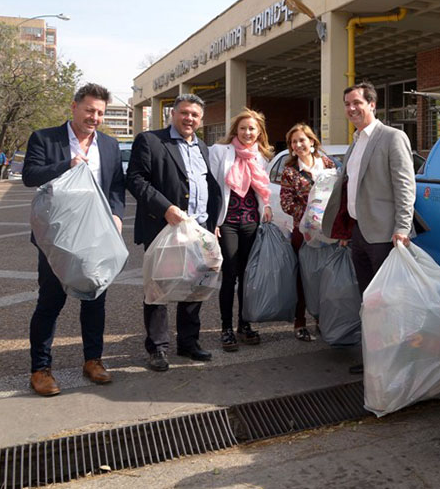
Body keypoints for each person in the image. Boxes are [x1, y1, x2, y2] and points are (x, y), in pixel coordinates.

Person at [22, 83, 125, 396]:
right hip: (57, 238)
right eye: (89, 110)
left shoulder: (108, 145)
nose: (94, 117)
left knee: (95, 302)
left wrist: (118, 215)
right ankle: (40, 369)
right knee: (50, 303)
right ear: (74, 107)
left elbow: (116, 187)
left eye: (100, 113)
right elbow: (29, 175)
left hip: (96, 238)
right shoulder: (45, 138)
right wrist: (66, 165)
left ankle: (93, 361)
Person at [321, 82, 416, 373]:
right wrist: (346, 230)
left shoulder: (392, 137)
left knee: (389, 302)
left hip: (385, 235)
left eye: (357, 103)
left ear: (372, 105)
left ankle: (395, 364)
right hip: (359, 233)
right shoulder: (356, 141)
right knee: (369, 302)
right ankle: (375, 360)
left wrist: (402, 226)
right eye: (347, 104)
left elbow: (405, 185)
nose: (351, 109)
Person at [127, 93, 222, 372]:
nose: (189, 118)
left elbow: (209, 186)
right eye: (184, 113)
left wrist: (213, 222)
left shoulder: (204, 147)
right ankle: (157, 348)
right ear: (173, 114)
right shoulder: (151, 141)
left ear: (201, 119)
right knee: (159, 289)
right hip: (165, 229)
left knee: (195, 286)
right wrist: (165, 208)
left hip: (199, 229)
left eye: (194, 115)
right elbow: (135, 179)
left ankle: (189, 343)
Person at [208, 109, 274, 352]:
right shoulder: (219, 151)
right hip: (227, 222)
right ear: (236, 129)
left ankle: (243, 324)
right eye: (244, 128)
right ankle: (226, 328)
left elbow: (263, 189)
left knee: (248, 276)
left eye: (252, 129)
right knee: (230, 274)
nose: (248, 133)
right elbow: (213, 188)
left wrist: (266, 206)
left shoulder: (262, 157)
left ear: (259, 133)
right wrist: (212, 222)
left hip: (251, 221)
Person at [279, 123, 336, 342]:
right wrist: (311, 215)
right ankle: (300, 322)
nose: (298, 145)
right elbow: (286, 203)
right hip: (303, 232)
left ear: (312, 141)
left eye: (302, 140)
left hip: (329, 231)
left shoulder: (328, 164)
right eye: (294, 142)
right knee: (303, 278)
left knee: (325, 277)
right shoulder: (290, 172)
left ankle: (322, 320)